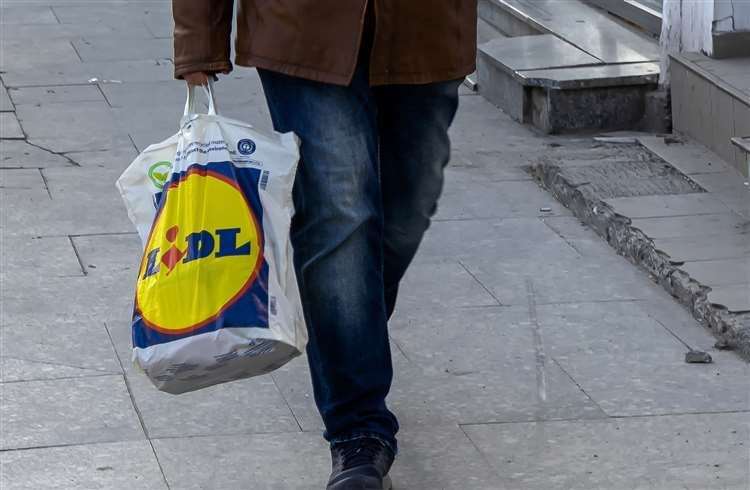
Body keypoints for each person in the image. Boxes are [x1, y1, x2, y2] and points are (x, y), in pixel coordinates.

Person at [172, 1, 477, 488]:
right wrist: (198, 42)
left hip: (428, 27)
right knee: (341, 216)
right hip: (301, 25)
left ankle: (348, 333)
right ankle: (358, 431)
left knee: (404, 215)